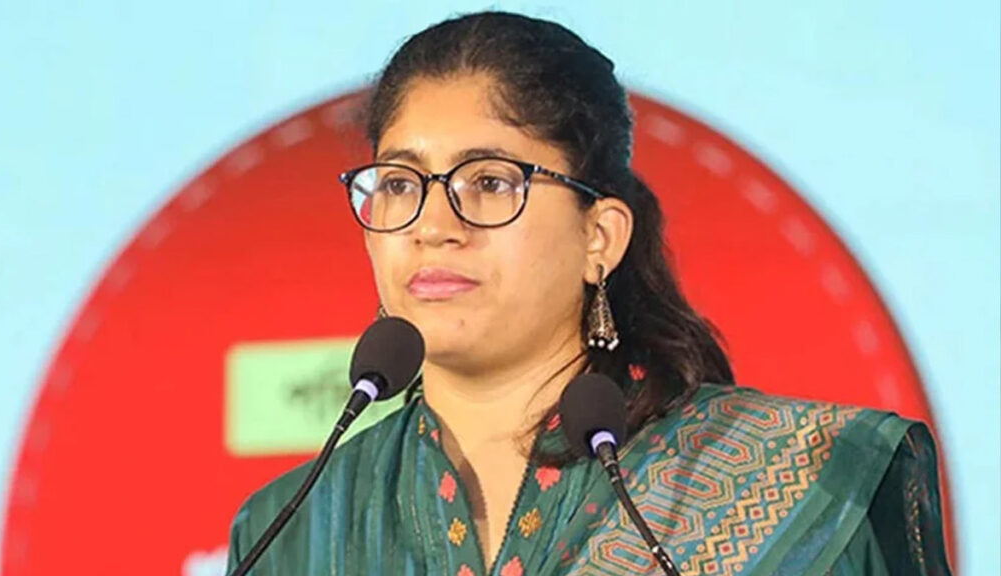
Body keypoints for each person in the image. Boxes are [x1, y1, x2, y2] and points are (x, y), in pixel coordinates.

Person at [225, 11, 951, 576]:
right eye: (398, 184)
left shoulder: (807, 485)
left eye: (489, 182)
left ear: (599, 236)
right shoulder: (292, 532)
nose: (433, 226)